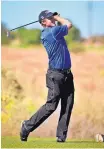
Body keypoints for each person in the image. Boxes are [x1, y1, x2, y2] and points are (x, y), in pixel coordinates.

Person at [20, 10, 75, 143]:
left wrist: (53, 18)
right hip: (55, 75)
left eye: (53, 17)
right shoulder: (52, 32)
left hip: (67, 74)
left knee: (67, 105)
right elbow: (69, 24)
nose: (54, 19)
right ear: (44, 22)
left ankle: (61, 137)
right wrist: (58, 17)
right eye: (50, 18)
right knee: (51, 106)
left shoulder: (54, 31)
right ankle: (26, 126)